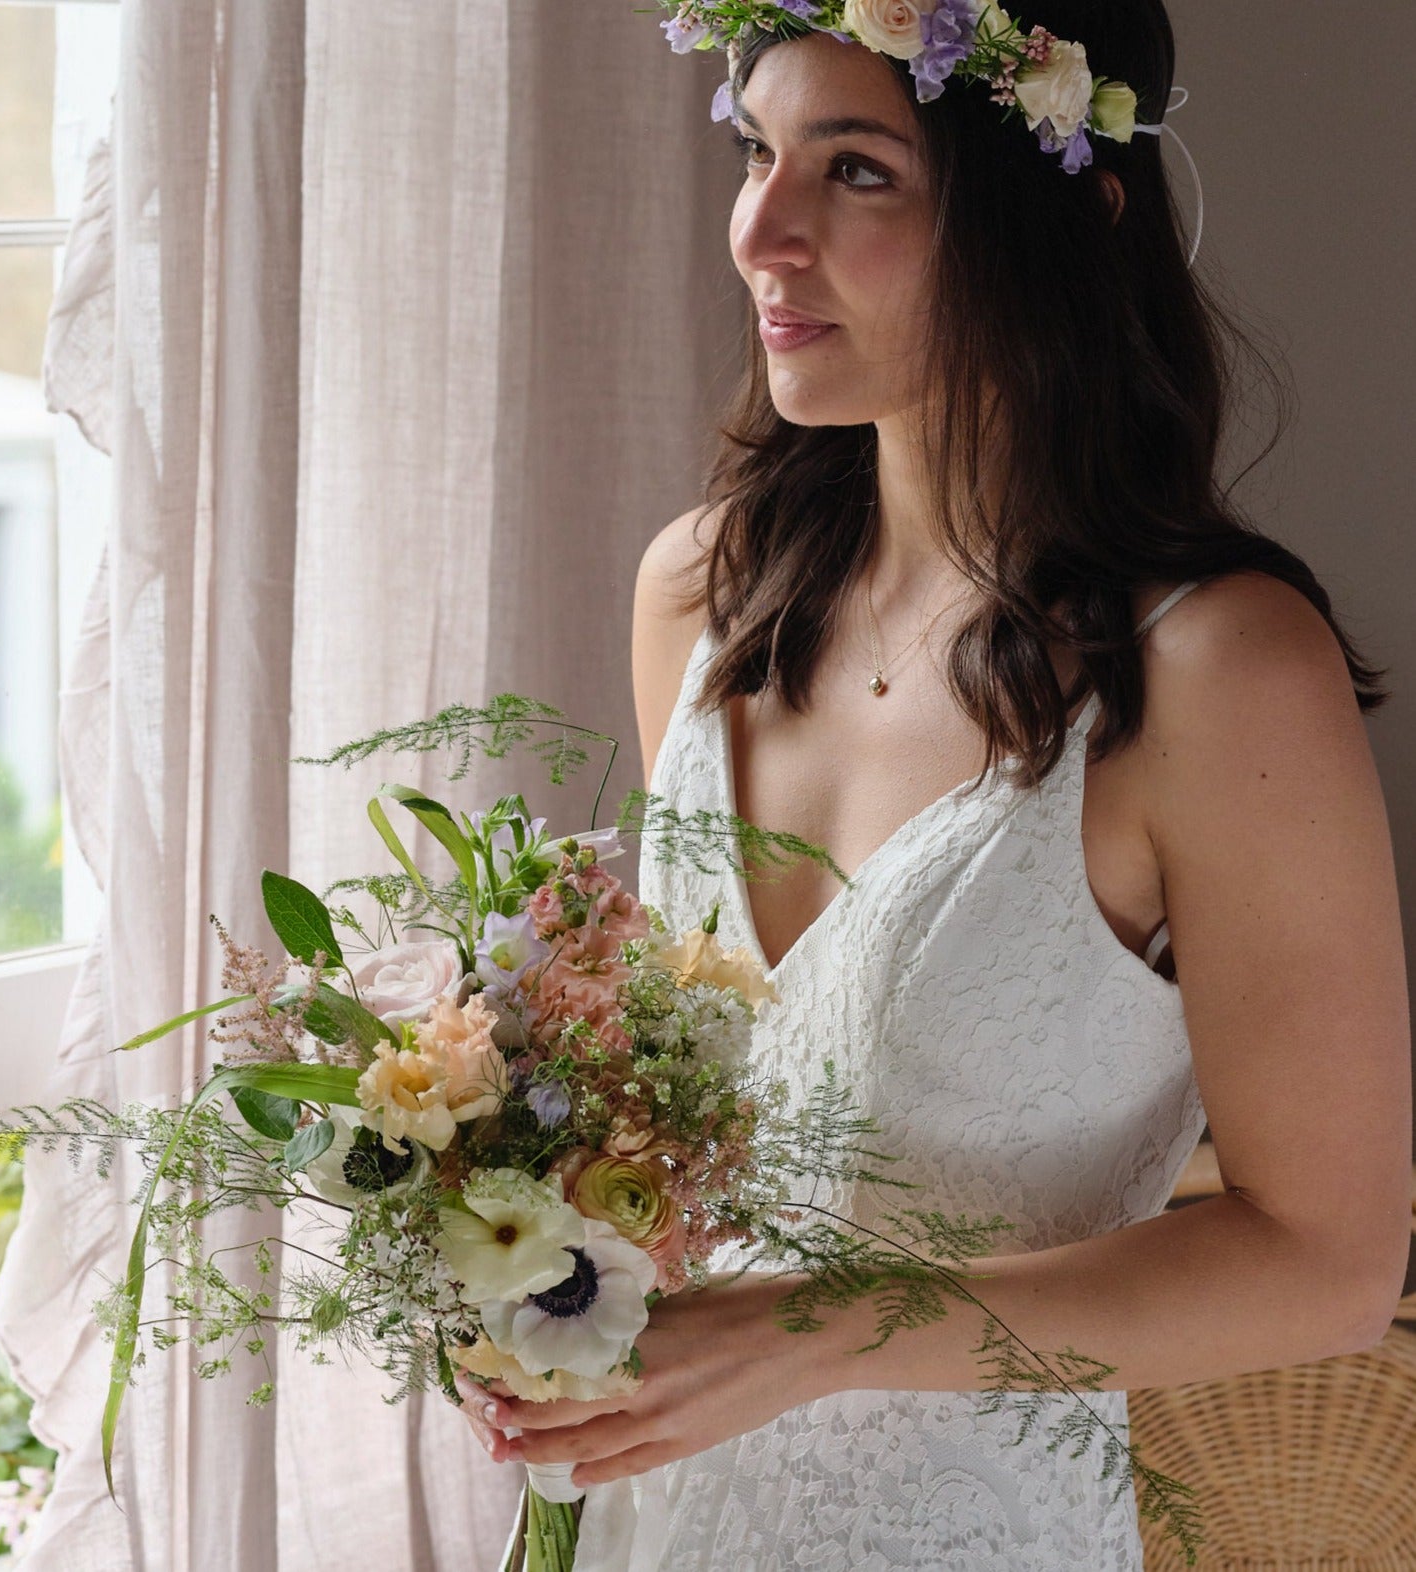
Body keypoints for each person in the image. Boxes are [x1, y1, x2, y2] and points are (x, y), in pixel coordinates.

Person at [454, 3, 1412, 1566]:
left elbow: (1327, 1262)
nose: (765, 228)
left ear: (1068, 216)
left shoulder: (1221, 674)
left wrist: (806, 1334)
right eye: (759, 154)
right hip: (649, 1518)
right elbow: (686, 1143)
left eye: (860, 173)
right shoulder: (702, 593)